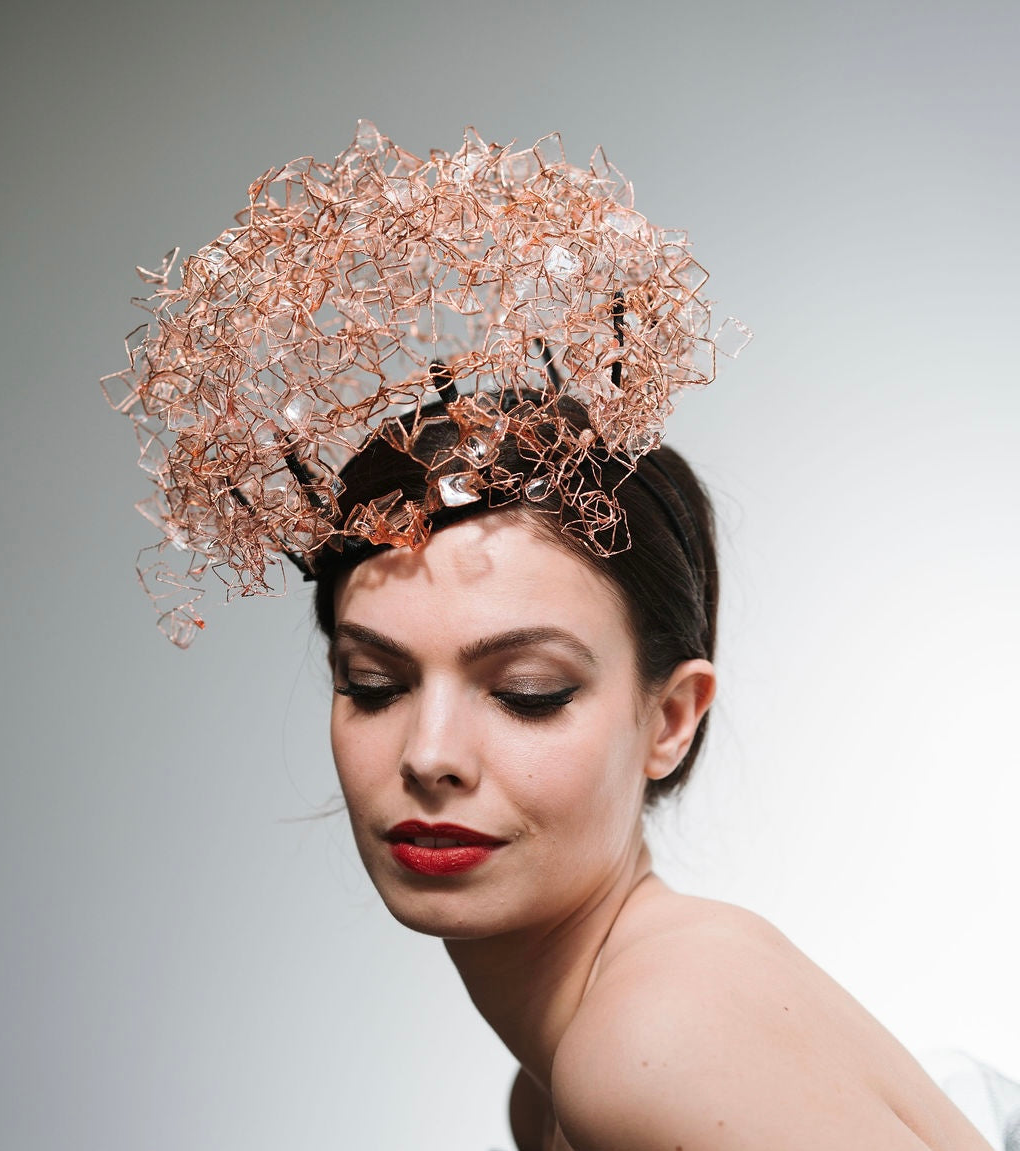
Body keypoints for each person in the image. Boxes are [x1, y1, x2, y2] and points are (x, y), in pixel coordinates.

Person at [105, 124, 1002, 1149]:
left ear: (670, 717)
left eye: (526, 688)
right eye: (372, 682)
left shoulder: (649, 1039)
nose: (429, 754)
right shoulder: (556, 1086)